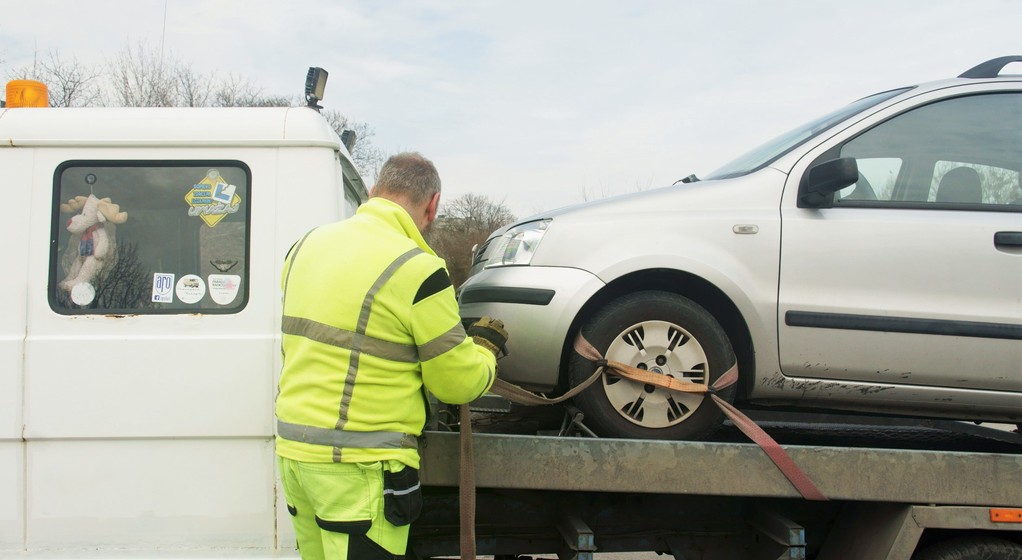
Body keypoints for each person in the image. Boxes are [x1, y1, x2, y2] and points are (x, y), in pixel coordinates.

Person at [275, 152, 508, 559]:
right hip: (362, 467)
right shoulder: (418, 269)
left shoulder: (304, 246)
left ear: (373, 191)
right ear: (433, 204)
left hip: (296, 455)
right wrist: (485, 350)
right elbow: (456, 383)